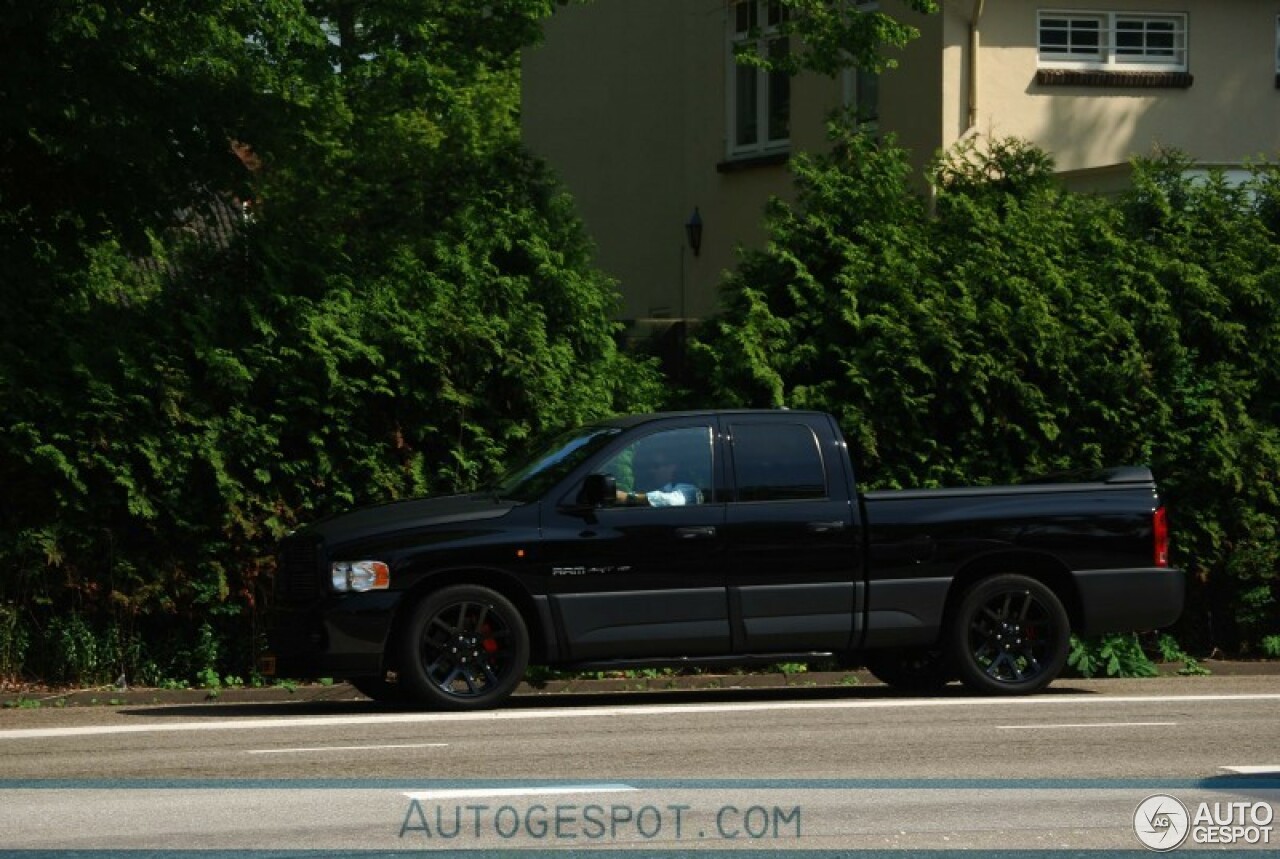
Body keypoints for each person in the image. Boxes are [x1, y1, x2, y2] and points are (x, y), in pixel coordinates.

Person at [616, 446, 702, 507]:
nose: (651, 470)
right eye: (649, 466)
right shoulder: (658, 488)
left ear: (672, 467)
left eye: (656, 466)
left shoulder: (688, 489)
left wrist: (627, 497)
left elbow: (672, 501)